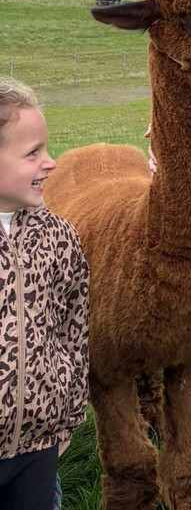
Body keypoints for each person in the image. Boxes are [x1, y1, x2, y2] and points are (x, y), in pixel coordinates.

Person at [0, 77, 89, 510]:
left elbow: (74, 329)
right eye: (32, 153)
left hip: (38, 444)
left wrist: (68, 416)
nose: (51, 163)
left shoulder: (59, 237)